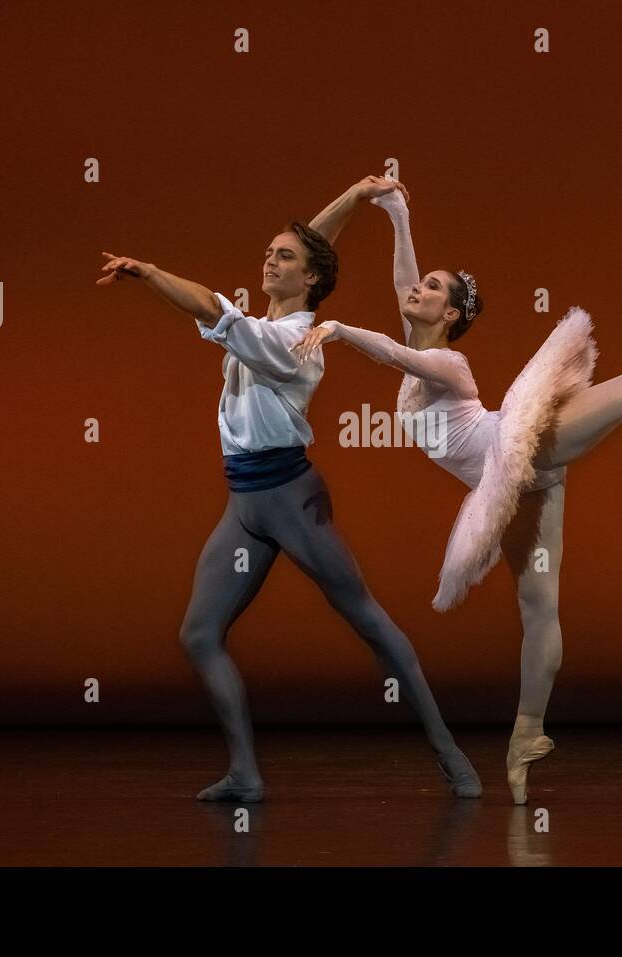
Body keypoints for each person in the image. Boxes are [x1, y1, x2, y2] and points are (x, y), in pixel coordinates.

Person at [300, 180, 622, 803]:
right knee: (539, 612)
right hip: (515, 486)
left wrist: (343, 331)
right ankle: (526, 737)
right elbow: (403, 294)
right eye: (420, 284)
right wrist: (399, 215)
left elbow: (402, 359)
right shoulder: (415, 333)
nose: (416, 289)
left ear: (451, 315)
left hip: (525, 444)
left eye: (433, 288)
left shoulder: (447, 366)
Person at [95, 195, 481, 802]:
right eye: (267, 254)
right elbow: (310, 244)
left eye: (284, 259)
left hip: (290, 499)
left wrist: (148, 272)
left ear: (312, 279)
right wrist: (354, 197)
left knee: (368, 621)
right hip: (244, 502)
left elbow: (210, 306)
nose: (269, 262)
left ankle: (447, 751)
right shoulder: (272, 322)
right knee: (199, 634)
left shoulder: (293, 341)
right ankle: (246, 774)